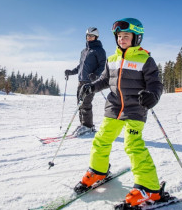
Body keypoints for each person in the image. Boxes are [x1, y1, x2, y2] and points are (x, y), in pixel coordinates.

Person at [74, 18, 163, 207]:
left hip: (135, 108)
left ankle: (149, 188)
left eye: (126, 36)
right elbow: (105, 80)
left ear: (136, 38)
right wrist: (91, 87)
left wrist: (153, 95)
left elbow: (155, 83)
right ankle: (98, 170)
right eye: (119, 36)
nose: (121, 40)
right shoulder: (112, 59)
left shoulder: (145, 59)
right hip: (113, 107)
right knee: (101, 139)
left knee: (133, 145)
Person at [64, 27, 106, 135]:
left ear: (96, 37)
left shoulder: (99, 50)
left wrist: (96, 75)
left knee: (86, 103)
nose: (89, 38)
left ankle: (88, 126)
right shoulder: (84, 51)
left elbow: (103, 66)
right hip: (81, 81)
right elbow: (81, 66)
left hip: (90, 82)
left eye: (91, 36)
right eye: (88, 36)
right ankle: (83, 124)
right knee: (79, 104)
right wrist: (71, 72)